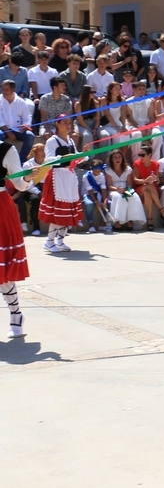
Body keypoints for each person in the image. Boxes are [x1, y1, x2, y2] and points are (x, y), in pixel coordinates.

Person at [0, 128, 35, 336]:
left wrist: (29, 177)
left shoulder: (6, 150)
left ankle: (15, 313)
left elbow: (19, 183)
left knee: (2, 269)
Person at [39, 115, 82, 252]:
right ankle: (49, 241)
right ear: (57, 124)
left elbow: (75, 159)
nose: (68, 125)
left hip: (69, 177)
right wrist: (64, 158)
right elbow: (49, 160)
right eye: (65, 123)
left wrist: (82, 155)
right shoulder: (52, 141)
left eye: (69, 123)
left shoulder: (70, 141)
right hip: (57, 178)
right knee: (58, 210)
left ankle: (60, 240)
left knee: (67, 210)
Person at [105, 149, 146, 231]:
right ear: (111, 159)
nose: (117, 159)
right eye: (115, 157)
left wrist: (127, 190)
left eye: (119, 157)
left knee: (133, 196)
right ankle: (117, 222)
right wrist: (117, 189)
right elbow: (109, 185)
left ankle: (130, 221)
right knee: (119, 197)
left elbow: (129, 183)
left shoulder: (128, 169)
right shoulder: (108, 170)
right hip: (114, 190)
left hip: (125, 188)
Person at [132, 145, 164, 229]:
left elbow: (157, 179)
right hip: (140, 189)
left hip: (151, 191)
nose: (140, 157)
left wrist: (156, 179)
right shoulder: (137, 164)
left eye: (142, 155)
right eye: (139, 155)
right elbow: (135, 180)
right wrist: (145, 180)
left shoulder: (156, 164)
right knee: (149, 186)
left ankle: (150, 220)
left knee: (148, 192)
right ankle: (161, 209)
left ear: (149, 155)